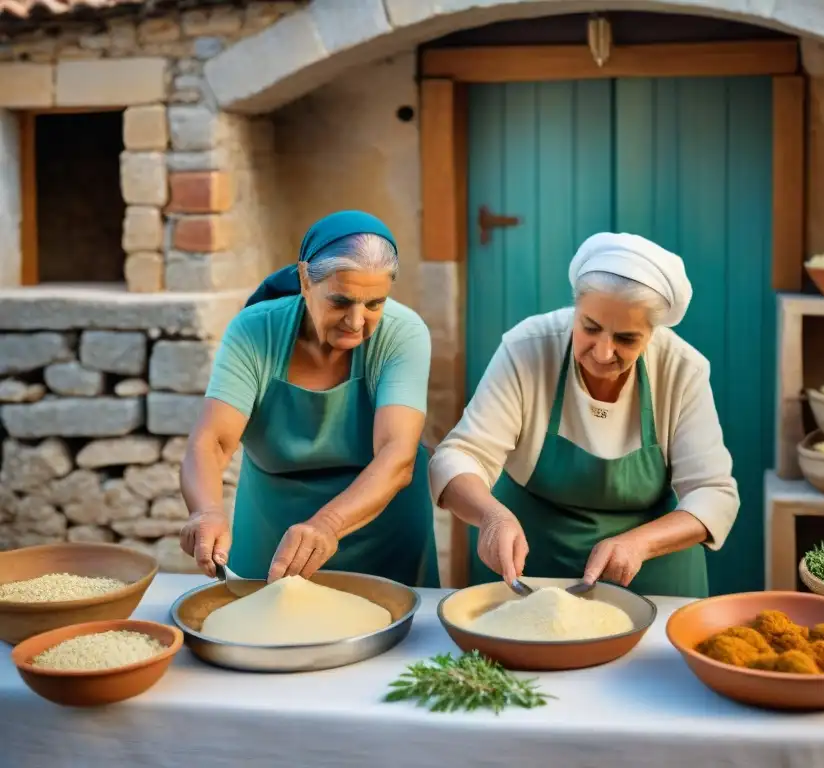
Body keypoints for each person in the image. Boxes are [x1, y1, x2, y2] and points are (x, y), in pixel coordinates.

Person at [429, 232, 739, 598]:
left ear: (652, 332)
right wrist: (491, 516)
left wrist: (639, 544)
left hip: (650, 581)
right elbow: (459, 455)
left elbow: (713, 494)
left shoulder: (681, 369)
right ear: (576, 307)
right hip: (529, 572)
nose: (604, 352)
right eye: (590, 328)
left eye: (626, 339)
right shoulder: (529, 348)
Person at [179, 210, 439, 588]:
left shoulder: (404, 334)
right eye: (340, 302)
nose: (355, 321)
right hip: (272, 527)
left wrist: (329, 524)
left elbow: (396, 457)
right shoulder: (255, 331)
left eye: (374, 304)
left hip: (381, 524)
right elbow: (212, 442)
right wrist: (205, 510)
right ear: (305, 280)